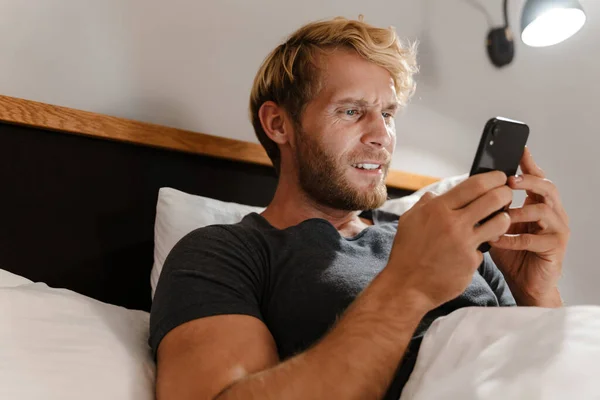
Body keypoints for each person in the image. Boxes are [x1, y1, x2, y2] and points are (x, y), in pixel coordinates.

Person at [149, 16, 570, 400]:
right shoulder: (223, 254)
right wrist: (409, 288)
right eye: (351, 111)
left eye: (388, 113)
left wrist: (535, 295)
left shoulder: (445, 236)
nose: (381, 136)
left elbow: (552, 375)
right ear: (278, 124)